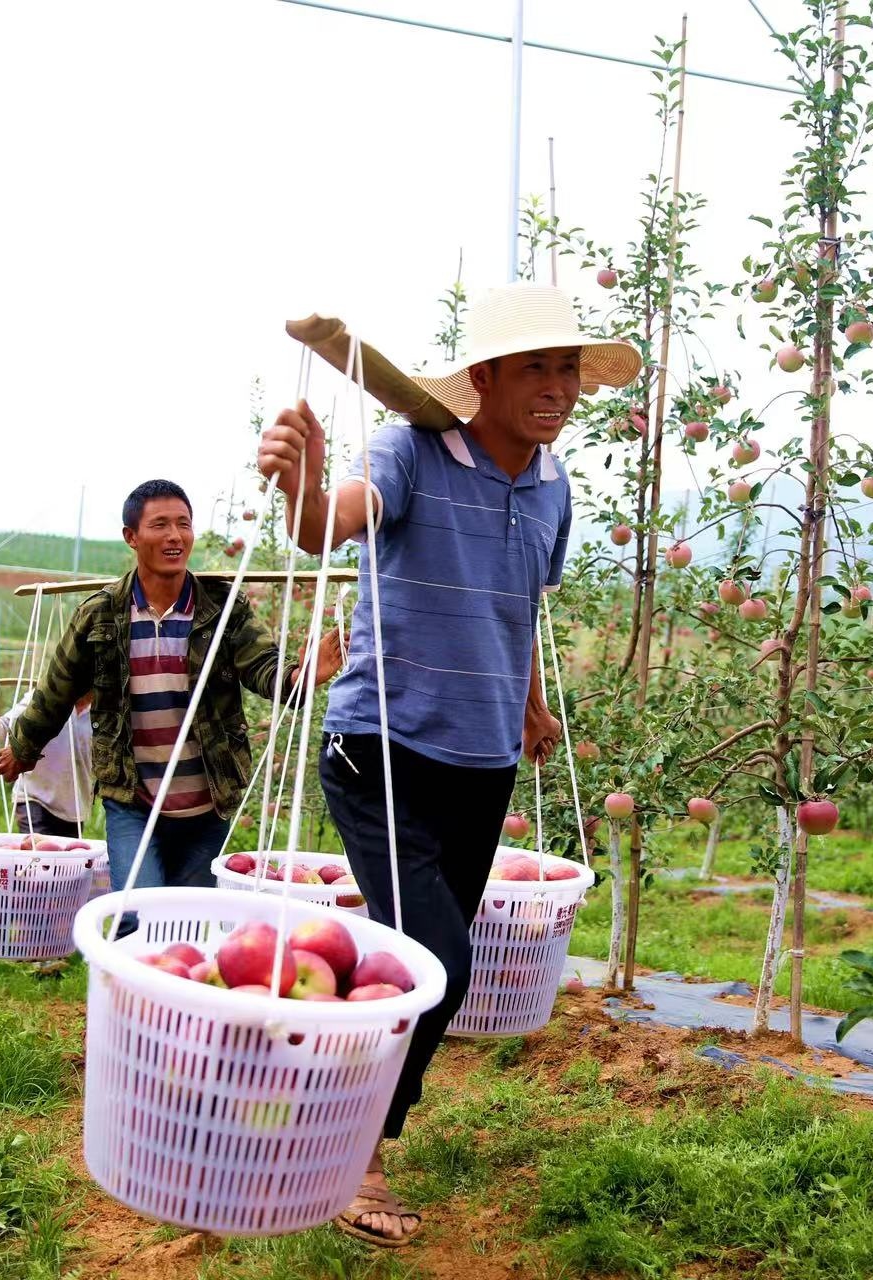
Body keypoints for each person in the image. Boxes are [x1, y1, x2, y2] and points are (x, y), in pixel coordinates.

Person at [256, 283, 640, 1247]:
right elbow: (324, 525)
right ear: (483, 379)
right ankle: (354, 1154)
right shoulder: (412, 453)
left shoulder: (553, 490)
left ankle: (330, 1102)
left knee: (428, 964)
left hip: (481, 760)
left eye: (567, 369)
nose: (555, 387)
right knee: (439, 960)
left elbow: (515, 608)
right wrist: (299, 484)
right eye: (535, 368)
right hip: (381, 746)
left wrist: (533, 708)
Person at [0, 479, 343, 888]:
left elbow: (263, 666)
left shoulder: (223, 609)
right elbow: (56, 692)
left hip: (208, 801)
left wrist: (300, 677)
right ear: (132, 537)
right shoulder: (99, 616)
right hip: (133, 804)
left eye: (183, 524)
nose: (175, 535)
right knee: (135, 915)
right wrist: (22, 749)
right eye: (160, 525)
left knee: (189, 922)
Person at [0, 692, 92, 837]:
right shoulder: (48, 694)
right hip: (34, 797)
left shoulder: (105, 710)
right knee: (38, 854)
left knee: (65, 857)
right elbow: (7, 726)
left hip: (74, 806)